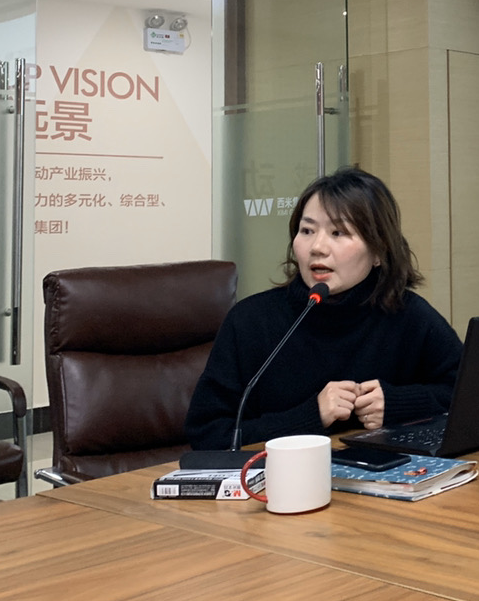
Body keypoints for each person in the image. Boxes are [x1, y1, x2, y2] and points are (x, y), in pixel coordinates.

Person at [185, 166, 462, 450]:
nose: (317, 247)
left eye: (338, 232)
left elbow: (471, 393)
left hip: (382, 472)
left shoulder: (407, 314)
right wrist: (311, 416)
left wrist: (398, 404)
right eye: (307, 230)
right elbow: (208, 434)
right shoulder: (250, 322)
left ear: (379, 251)